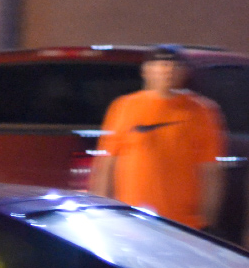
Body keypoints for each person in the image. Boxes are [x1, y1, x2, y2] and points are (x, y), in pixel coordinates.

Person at [89, 46, 226, 230]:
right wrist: (101, 212)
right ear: (146, 70)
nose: (168, 70)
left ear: (184, 72)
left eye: (175, 65)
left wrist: (207, 222)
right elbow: (106, 165)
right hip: (131, 222)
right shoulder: (123, 107)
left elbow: (211, 172)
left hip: (182, 225)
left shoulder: (202, 112)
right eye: (161, 64)